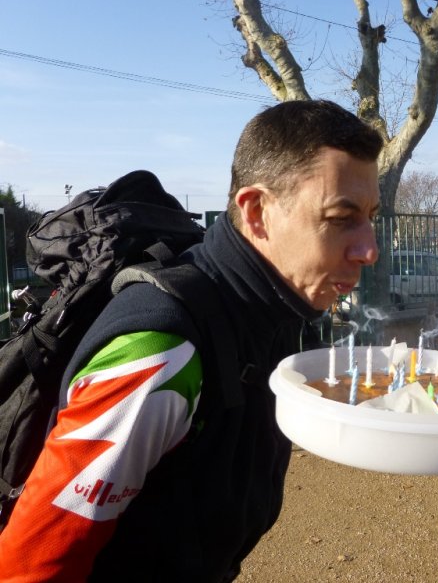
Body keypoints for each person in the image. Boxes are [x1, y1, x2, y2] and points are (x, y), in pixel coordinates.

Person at [0, 99, 383, 581]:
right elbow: (31, 565)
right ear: (258, 211)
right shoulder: (160, 348)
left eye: (370, 215)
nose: (369, 248)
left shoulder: (273, 309)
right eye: (340, 217)